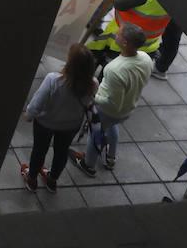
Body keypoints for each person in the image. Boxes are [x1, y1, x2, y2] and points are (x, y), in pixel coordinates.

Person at [74, 23, 152, 177]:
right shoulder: (145, 58)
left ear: (125, 43)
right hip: (127, 108)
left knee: (95, 134)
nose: (115, 34)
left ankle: (88, 165)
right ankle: (110, 157)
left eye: (119, 34)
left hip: (109, 112)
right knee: (111, 127)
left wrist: (92, 97)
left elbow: (112, 102)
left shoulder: (114, 69)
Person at [22, 43, 96, 193]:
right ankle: (52, 180)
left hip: (45, 123)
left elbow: (38, 102)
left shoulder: (54, 80)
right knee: (61, 153)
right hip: (70, 125)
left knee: (39, 151)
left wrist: (29, 115)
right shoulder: (93, 84)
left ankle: (32, 178)